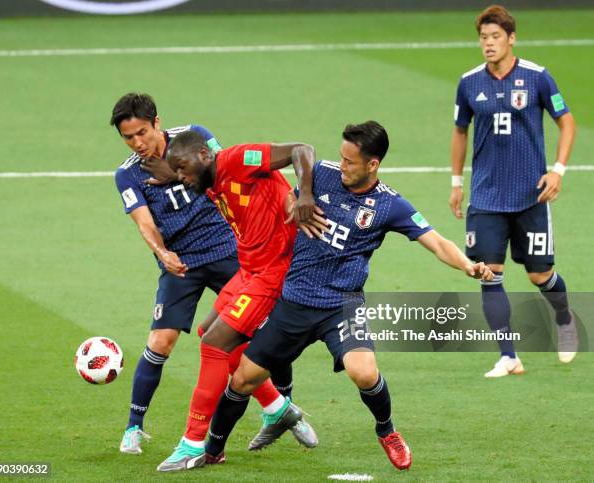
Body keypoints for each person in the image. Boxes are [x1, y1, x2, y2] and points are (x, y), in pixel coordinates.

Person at [195, 121, 494, 472]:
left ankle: (388, 432)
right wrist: (297, 205)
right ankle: (212, 449)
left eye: (351, 161)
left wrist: (468, 266)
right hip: (295, 299)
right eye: (342, 157)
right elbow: (291, 192)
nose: (343, 166)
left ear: (373, 164)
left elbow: (436, 241)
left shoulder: (389, 205)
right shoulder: (321, 174)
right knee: (244, 379)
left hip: (343, 304)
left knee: (364, 373)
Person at [110, 93, 306, 456]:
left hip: (227, 249)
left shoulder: (195, 138)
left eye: (141, 133)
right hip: (181, 262)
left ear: (157, 123)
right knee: (161, 342)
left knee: (257, 332)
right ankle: (134, 427)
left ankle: (280, 406)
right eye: (128, 138)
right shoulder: (126, 174)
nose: (137, 143)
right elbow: (144, 222)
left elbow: (223, 169)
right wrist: (161, 252)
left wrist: (174, 173)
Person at [154, 130, 326, 471]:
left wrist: (304, 194)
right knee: (209, 334)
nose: (183, 178)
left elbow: (301, 149)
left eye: (185, 169)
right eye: (178, 174)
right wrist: (171, 171)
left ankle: (192, 444)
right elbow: (189, 176)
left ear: (204, 154)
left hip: (272, 273)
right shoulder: (209, 180)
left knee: (216, 345)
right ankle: (278, 408)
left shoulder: (238, 159)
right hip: (249, 269)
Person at [449, 5, 578, 378]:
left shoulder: (538, 77)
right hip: (486, 197)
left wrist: (557, 170)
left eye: (495, 37)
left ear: (511, 39)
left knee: (541, 275)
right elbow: (460, 131)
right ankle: (509, 355)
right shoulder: (469, 82)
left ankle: (564, 318)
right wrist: (456, 182)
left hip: (530, 195)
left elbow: (566, 123)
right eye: (483, 38)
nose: (488, 44)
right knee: (488, 272)